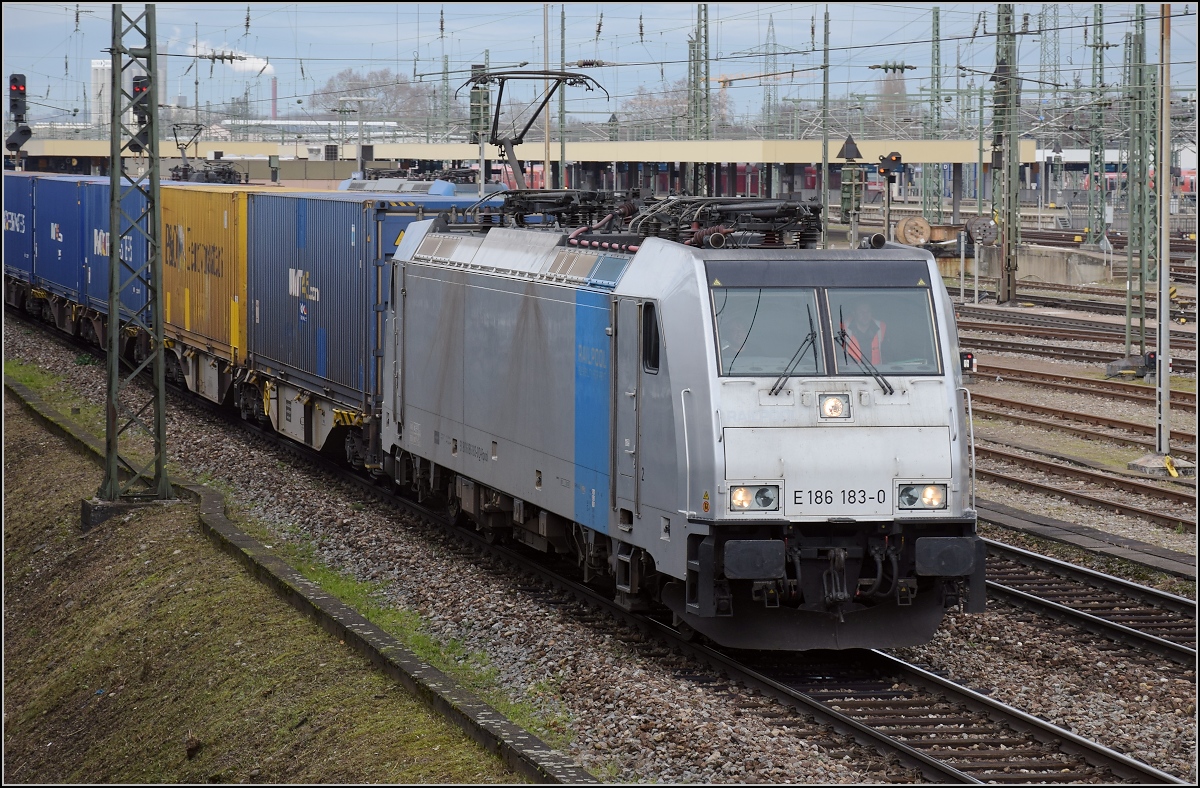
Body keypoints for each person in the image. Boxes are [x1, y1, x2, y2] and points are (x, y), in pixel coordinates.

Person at [843, 300, 886, 364]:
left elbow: (889, 355)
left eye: (868, 312)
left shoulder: (881, 327)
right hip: (851, 372)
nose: (865, 315)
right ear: (854, 313)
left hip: (877, 372)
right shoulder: (843, 328)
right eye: (861, 312)